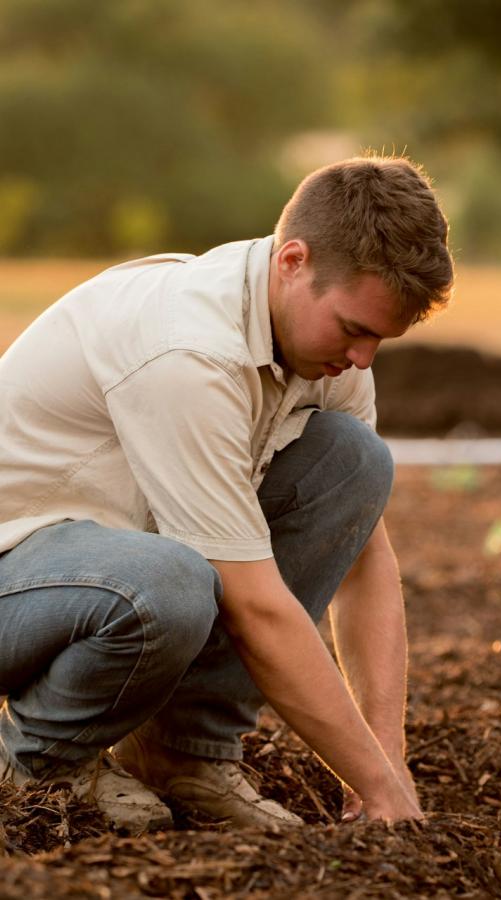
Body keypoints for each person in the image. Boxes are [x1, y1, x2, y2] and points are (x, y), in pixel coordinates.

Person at [0, 155, 453, 834]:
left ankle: (182, 753)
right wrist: (371, 781)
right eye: (355, 329)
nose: (363, 359)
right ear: (293, 261)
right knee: (168, 584)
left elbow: (362, 556)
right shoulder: (189, 352)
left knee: (355, 463)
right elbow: (255, 609)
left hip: (99, 564)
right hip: (19, 577)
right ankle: (38, 762)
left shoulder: (325, 353)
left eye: (380, 339)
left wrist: (387, 763)